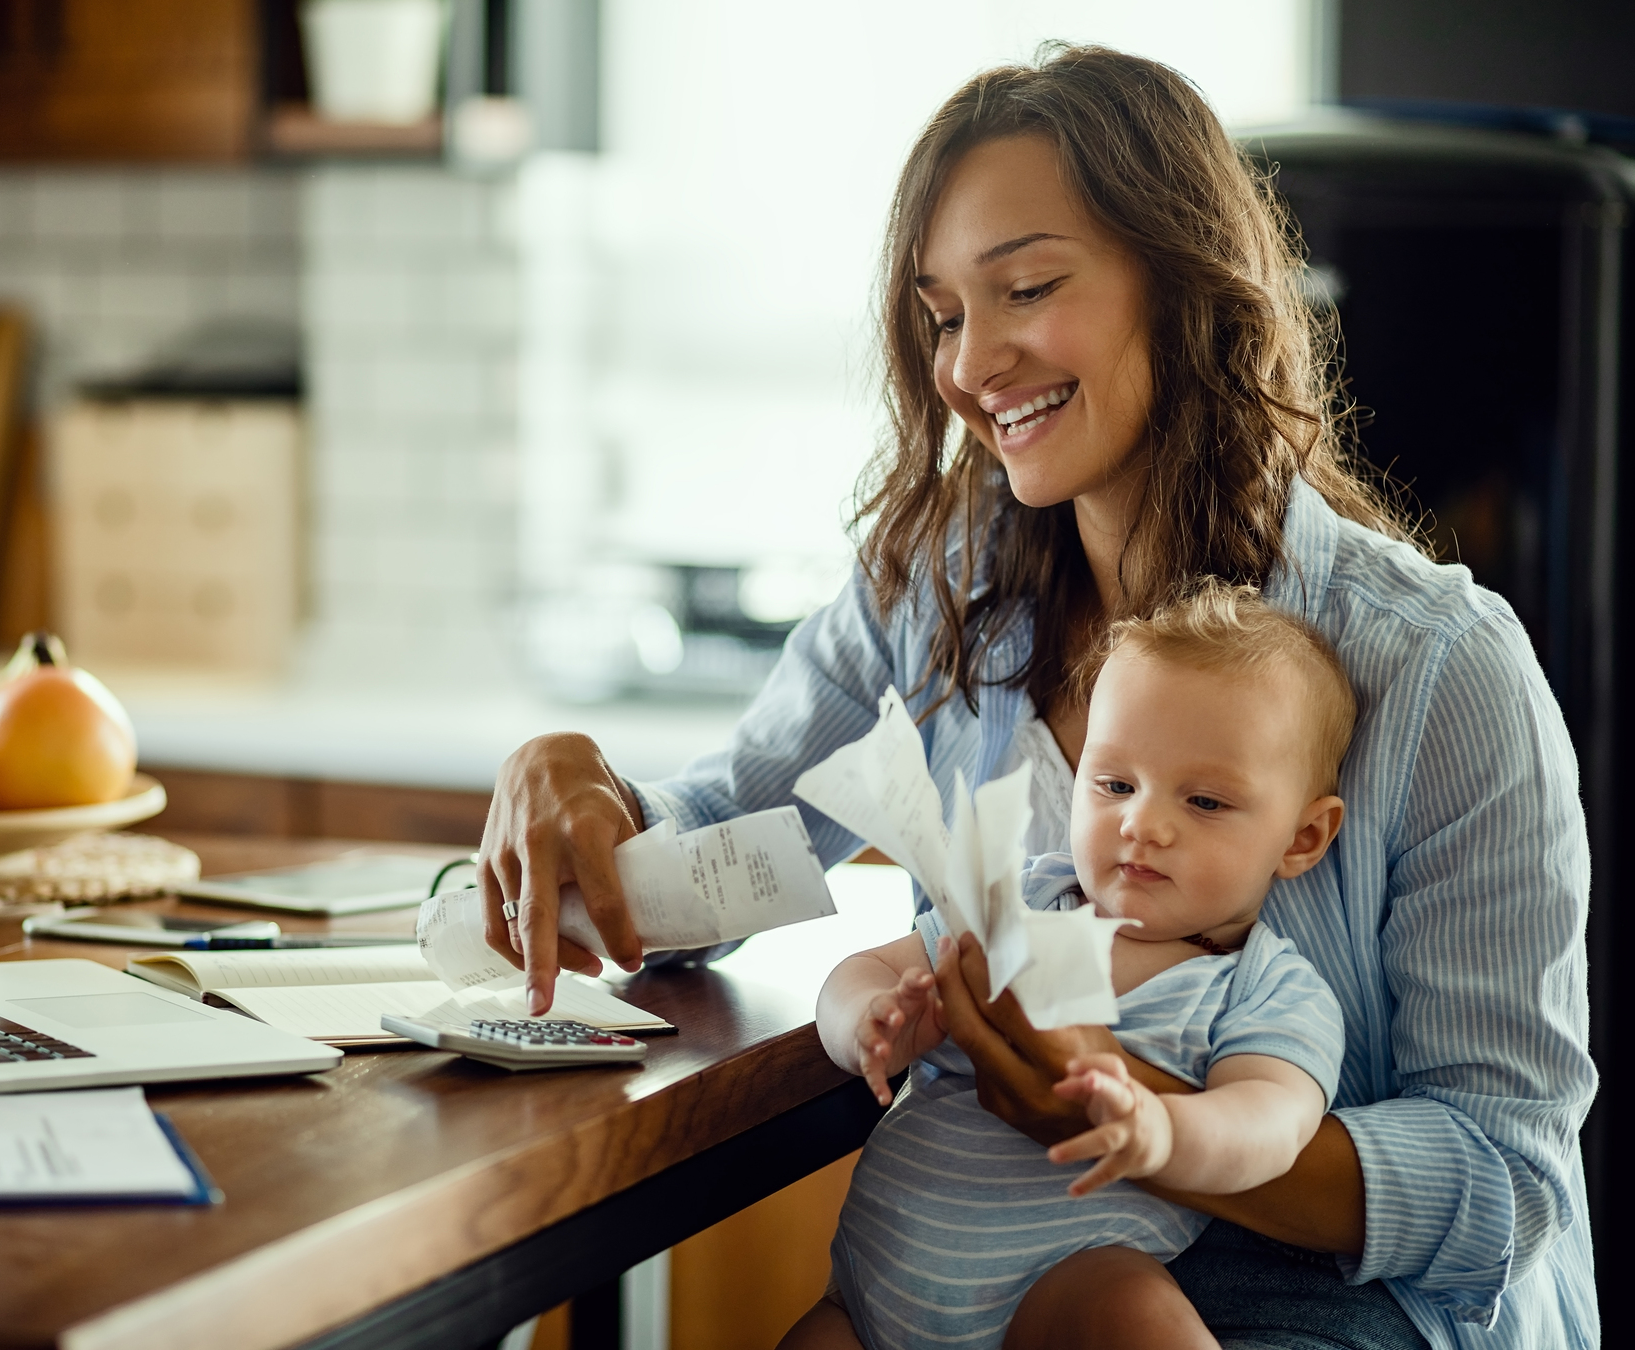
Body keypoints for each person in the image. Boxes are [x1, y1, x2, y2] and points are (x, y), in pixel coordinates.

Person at [478, 46, 1597, 1348]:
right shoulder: (939, 592)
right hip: (979, 1279)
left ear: (1183, 286)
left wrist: (1151, 1125)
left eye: (1026, 287)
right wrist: (582, 792)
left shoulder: (1441, 665)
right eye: (943, 312)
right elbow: (735, 846)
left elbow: (1501, 1175)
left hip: (1336, 1310)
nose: (967, 365)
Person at [799, 581, 1352, 1349]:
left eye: (1206, 803)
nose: (1142, 823)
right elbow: (859, 969)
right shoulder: (1026, 899)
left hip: (1057, 1294)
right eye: (1116, 784)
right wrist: (870, 1018)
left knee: (1133, 1313)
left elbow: (1273, 1123)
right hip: (867, 1297)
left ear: (1301, 839)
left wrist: (1163, 1129)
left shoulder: (1264, 988)